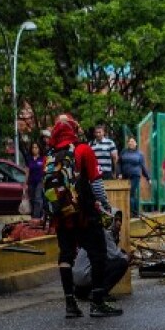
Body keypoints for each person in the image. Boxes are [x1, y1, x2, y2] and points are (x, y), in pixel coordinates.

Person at [46, 116, 123, 318]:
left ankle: (70, 305)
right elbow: (96, 183)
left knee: (65, 256)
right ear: (72, 129)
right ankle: (97, 302)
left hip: (61, 215)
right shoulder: (83, 149)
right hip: (84, 214)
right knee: (98, 253)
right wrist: (105, 206)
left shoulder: (51, 155)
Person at [72, 210, 130, 301]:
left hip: (79, 279)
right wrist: (128, 257)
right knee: (122, 263)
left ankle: (85, 292)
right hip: (86, 275)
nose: (119, 223)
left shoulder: (96, 231)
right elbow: (116, 255)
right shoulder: (104, 233)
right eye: (116, 220)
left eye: (120, 220)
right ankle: (100, 293)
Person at [119, 136, 151, 217]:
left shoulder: (139, 154)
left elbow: (143, 166)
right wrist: (119, 173)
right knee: (130, 194)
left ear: (136, 143)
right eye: (129, 141)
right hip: (125, 176)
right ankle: (135, 212)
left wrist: (148, 177)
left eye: (132, 141)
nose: (130, 143)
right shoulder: (123, 152)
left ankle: (132, 212)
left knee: (130, 192)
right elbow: (119, 163)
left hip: (135, 176)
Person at [25, 141, 46, 219]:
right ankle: (36, 214)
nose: (34, 149)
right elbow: (27, 171)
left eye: (36, 147)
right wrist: (25, 183)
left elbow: (45, 170)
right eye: (33, 147)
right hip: (31, 181)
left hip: (40, 181)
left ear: (39, 149)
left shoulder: (43, 158)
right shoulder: (29, 159)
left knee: (38, 198)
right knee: (32, 199)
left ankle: (36, 216)